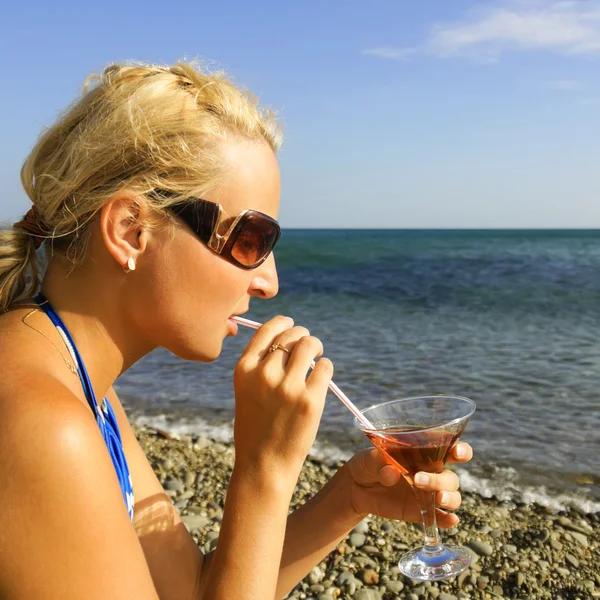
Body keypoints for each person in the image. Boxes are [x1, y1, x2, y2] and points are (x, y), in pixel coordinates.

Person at [0, 62, 473, 600]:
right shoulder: (40, 424)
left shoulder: (83, 388)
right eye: (251, 240)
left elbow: (199, 590)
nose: (269, 282)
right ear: (131, 231)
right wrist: (263, 472)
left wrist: (347, 499)